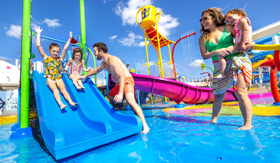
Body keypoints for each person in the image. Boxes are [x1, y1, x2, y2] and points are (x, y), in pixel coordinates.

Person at [198, 8, 253, 130]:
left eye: (205, 18)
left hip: (237, 61)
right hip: (219, 66)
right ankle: (213, 120)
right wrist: (216, 51)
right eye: (201, 20)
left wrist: (250, 44)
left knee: (241, 91)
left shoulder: (227, 28)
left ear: (214, 17)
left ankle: (247, 124)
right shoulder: (202, 39)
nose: (203, 22)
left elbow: (243, 37)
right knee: (218, 96)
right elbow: (204, 55)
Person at [79, 42, 150, 134]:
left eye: (95, 51)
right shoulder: (105, 63)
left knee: (131, 101)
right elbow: (96, 70)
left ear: (101, 51)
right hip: (119, 83)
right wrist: (85, 76)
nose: (95, 53)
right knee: (108, 99)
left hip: (127, 80)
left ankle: (145, 126)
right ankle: (109, 120)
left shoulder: (113, 60)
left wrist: (120, 94)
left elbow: (122, 77)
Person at [33, 25, 78, 111]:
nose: (56, 53)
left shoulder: (60, 59)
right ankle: (61, 104)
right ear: (50, 51)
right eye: (54, 51)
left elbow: (65, 49)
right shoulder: (46, 58)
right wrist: (38, 34)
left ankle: (70, 101)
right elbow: (39, 46)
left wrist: (69, 39)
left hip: (58, 78)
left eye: (57, 52)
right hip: (50, 79)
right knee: (55, 90)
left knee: (63, 89)